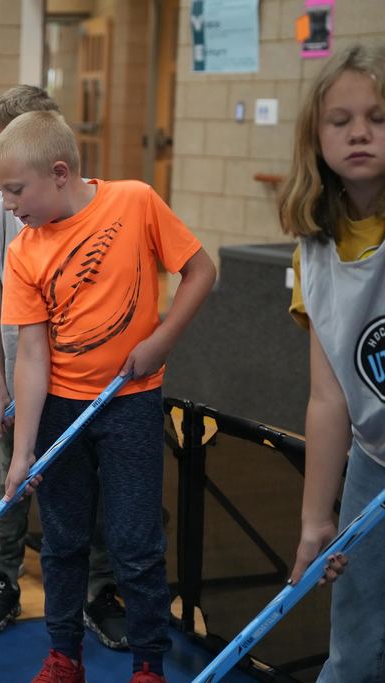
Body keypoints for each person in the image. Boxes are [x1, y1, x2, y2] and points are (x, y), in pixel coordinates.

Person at [0, 110, 215, 682]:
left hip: (131, 403)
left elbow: (201, 271)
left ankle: (148, 665)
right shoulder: (23, 251)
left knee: (135, 542)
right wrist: (23, 455)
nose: (10, 205)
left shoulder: (136, 202)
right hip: (61, 410)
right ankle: (65, 656)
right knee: (62, 542)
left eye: (16, 190)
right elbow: (34, 356)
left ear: (60, 173)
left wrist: (162, 339)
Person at [0, 86, 130, 647]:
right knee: (8, 482)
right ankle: (2, 576)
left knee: (91, 490)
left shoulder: (90, 203)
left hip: (83, 384)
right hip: (15, 381)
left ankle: (99, 588)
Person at [282, 43, 385, 683]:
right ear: (314, 137)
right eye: (340, 120)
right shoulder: (312, 253)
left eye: (377, 116)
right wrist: (316, 520)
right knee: (353, 647)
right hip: (372, 463)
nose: (360, 133)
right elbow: (329, 398)